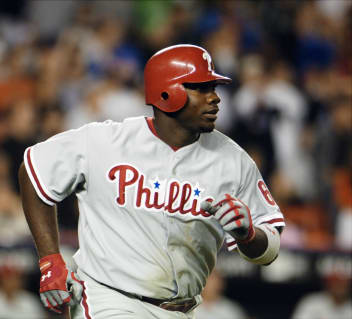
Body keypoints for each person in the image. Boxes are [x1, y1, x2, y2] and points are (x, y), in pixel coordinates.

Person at [18, 44, 285, 318]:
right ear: (167, 93)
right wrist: (50, 260)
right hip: (108, 298)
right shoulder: (107, 141)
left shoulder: (233, 160)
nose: (215, 98)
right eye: (201, 88)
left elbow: (270, 250)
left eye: (213, 88)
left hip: (183, 309)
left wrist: (249, 235)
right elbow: (33, 167)